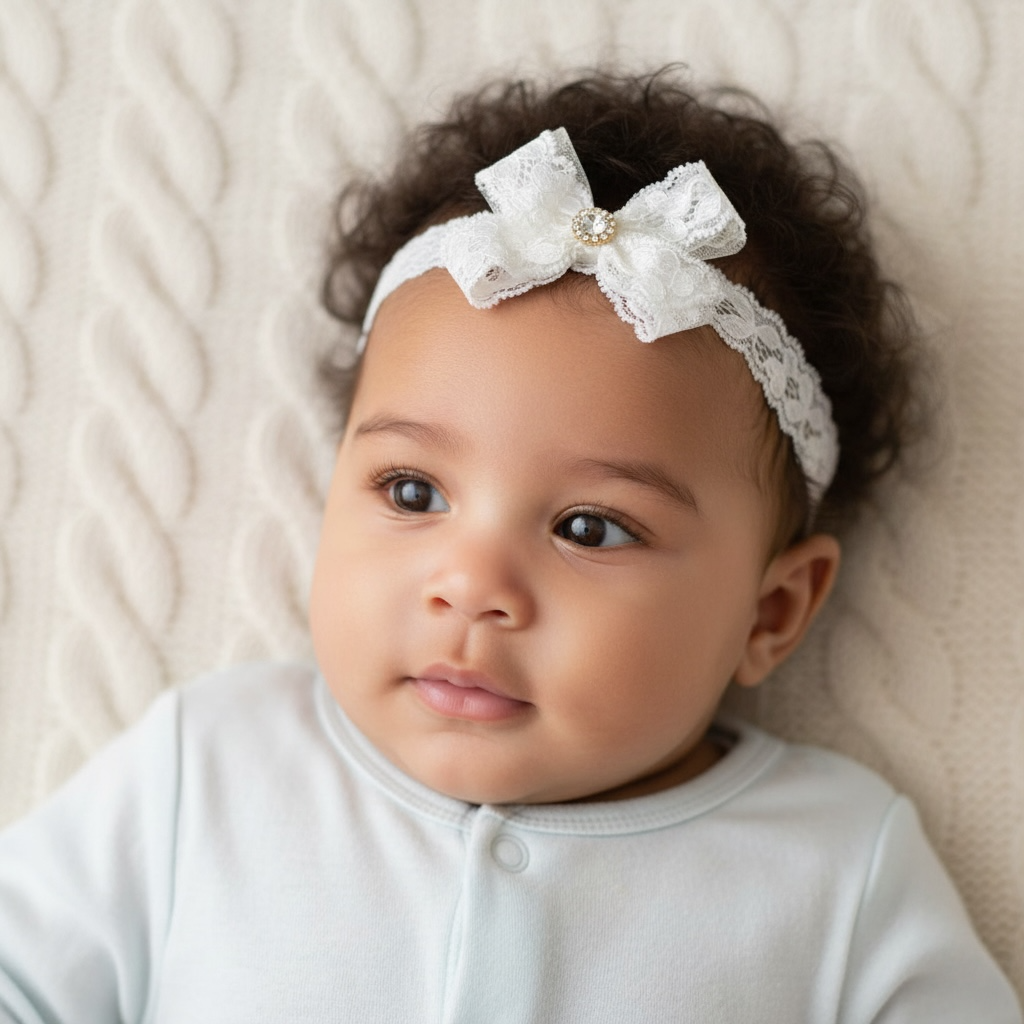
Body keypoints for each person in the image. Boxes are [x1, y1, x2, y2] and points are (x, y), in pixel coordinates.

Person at [0, 68, 1019, 1021]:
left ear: (770, 610)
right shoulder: (213, 764)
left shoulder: (835, 862)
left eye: (589, 527)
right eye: (412, 490)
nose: (472, 584)